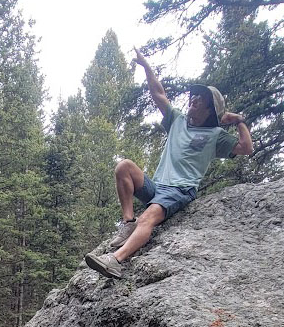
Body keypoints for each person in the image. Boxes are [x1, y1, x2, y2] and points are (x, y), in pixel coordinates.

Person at [84, 48, 253, 279]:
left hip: (180, 190)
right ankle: (127, 222)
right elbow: (158, 93)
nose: (193, 99)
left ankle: (116, 260)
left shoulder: (216, 135)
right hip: (158, 185)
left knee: (149, 218)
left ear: (209, 110)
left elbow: (246, 148)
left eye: (200, 99)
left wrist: (239, 120)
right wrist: (146, 67)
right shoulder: (178, 120)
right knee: (124, 166)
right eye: (193, 96)